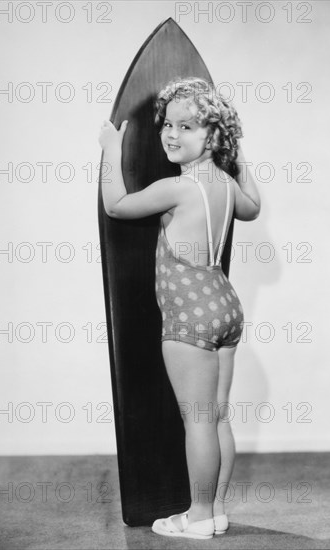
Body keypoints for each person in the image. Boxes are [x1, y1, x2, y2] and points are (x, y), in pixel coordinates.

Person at [99, 77, 260, 540]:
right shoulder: (226, 184)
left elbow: (117, 206)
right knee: (218, 414)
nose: (171, 134)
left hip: (190, 314)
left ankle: (199, 514)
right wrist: (237, 150)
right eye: (167, 124)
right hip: (224, 303)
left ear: (211, 135)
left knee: (198, 419)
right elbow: (253, 207)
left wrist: (112, 149)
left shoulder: (179, 188)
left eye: (186, 126)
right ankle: (218, 510)